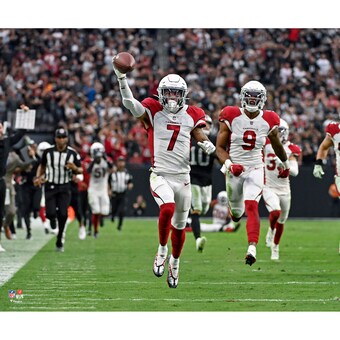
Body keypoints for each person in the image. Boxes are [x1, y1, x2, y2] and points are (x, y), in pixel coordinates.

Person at [112, 59, 216, 288]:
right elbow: (130, 103)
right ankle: (161, 250)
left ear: (183, 95)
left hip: (183, 177)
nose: (170, 97)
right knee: (167, 208)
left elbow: (197, 131)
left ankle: (175, 264)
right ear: (160, 93)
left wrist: (206, 143)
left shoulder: (193, 113)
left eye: (175, 93)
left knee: (180, 227)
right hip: (160, 174)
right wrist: (121, 78)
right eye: (167, 92)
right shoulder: (153, 109)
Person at [215, 80, 289, 266]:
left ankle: (252, 248)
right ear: (242, 96)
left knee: (252, 206)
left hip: (256, 167)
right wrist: (230, 164)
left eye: (256, 97)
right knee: (237, 214)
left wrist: (285, 163)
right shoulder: (231, 115)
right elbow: (219, 148)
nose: (252, 100)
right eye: (249, 96)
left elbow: (277, 144)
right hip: (235, 169)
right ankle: (234, 213)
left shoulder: (269, 119)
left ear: (263, 100)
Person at [34, 128, 83, 252]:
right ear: (55, 138)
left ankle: (60, 238)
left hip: (65, 186)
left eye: (63, 137)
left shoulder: (72, 153)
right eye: (59, 137)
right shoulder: (48, 152)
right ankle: (52, 220)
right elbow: (42, 165)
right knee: (50, 213)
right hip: (50, 185)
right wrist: (38, 177)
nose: (61, 140)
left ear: (67, 138)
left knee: (63, 214)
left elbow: (81, 170)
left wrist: (75, 168)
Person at [263, 118, 301, 260]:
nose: (278, 133)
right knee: (275, 212)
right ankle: (271, 232)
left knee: (282, 220)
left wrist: (284, 163)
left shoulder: (290, 148)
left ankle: (275, 246)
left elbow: (295, 171)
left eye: (280, 131)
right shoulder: (265, 144)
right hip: (268, 187)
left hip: (284, 189)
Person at [0, 104, 28, 252]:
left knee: (2, 211)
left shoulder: (6, 142)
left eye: (0, 127)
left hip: (1, 180)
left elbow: (21, 133)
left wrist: (25, 114)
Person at [188, 114, 217, 252]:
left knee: (204, 209)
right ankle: (198, 238)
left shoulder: (213, 140)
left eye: (208, 125)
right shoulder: (189, 139)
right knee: (196, 210)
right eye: (203, 125)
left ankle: (191, 222)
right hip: (193, 179)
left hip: (207, 181)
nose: (206, 128)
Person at [87, 142, 112, 238]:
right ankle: (96, 231)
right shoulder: (89, 161)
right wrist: (94, 161)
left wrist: (104, 158)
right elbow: (88, 171)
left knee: (105, 211)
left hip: (103, 189)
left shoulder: (106, 160)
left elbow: (112, 167)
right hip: (93, 189)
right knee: (96, 210)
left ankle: (100, 219)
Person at [110, 156, 133, 231]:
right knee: (114, 209)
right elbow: (108, 182)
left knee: (122, 210)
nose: (121, 163)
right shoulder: (113, 172)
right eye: (119, 161)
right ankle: (113, 215)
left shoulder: (126, 173)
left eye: (122, 161)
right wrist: (109, 190)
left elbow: (130, 181)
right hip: (114, 194)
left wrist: (130, 185)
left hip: (123, 194)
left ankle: (120, 225)